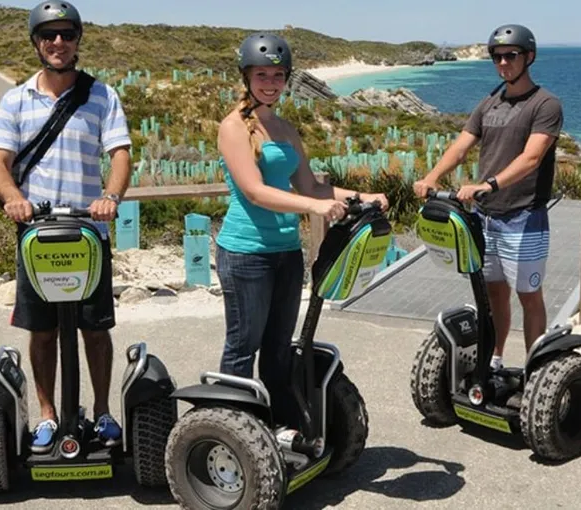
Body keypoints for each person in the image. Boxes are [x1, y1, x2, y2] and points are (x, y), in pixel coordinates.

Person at [215, 32, 389, 427]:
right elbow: (255, 191)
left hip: (286, 253)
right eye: (262, 75)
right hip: (246, 253)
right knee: (244, 347)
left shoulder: (285, 128)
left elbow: (310, 185)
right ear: (247, 77)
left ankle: (278, 424)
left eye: (278, 75)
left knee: (279, 348)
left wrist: (364, 195)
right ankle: (234, 427)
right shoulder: (235, 127)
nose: (270, 83)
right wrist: (314, 207)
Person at [0, 1, 132, 452]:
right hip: (38, 236)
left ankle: (103, 412)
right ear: (36, 42)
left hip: (89, 234)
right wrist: (13, 199)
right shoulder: (16, 99)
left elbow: (121, 155)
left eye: (66, 35)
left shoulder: (102, 96)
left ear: (77, 41)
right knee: (42, 330)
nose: (58, 43)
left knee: (95, 328)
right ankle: (47, 415)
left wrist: (110, 197)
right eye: (48, 35)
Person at [413, 24, 563, 371]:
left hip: (524, 216)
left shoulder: (545, 104)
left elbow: (532, 158)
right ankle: (494, 360)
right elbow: (462, 146)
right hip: (487, 218)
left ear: (529, 57)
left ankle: (534, 370)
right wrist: (432, 177)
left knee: (529, 297)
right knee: (493, 295)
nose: (503, 63)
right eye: (497, 56)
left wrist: (489, 184)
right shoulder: (489, 103)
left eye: (511, 55)